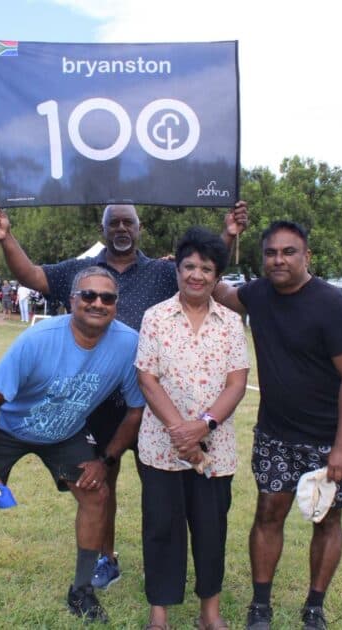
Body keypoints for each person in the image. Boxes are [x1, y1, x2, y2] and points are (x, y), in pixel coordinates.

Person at [0, 201, 247, 591]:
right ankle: (106, 559)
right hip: (96, 402)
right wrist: (6, 237)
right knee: (101, 480)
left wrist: (228, 232)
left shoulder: (161, 270)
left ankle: (162, 567)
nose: (122, 228)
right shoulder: (82, 271)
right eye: (115, 223)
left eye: (129, 222)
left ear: (139, 228)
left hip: (153, 406)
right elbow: (32, 276)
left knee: (159, 487)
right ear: (103, 227)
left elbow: (202, 268)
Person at [0, 267, 146, 623]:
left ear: (116, 305)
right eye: (88, 295)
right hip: (7, 429)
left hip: (65, 431)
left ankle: (81, 590)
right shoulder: (38, 338)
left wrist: (104, 460)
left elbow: (136, 409)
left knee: (96, 494)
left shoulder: (128, 342)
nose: (98, 303)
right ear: (72, 301)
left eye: (107, 297)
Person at [213, 221, 342, 630]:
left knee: (327, 518)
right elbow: (218, 290)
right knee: (268, 512)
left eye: (288, 252)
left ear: (306, 256)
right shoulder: (258, 294)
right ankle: (260, 606)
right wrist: (223, 239)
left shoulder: (333, 305)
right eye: (271, 253)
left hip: (328, 437)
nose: (278, 259)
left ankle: (314, 605)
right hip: (276, 434)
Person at [135, 227, 249, 630]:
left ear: (217, 277)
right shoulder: (156, 317)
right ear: (178, 270)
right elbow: (147, 378)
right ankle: (159, 614)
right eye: (189, 266)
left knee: (210, 531)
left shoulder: (231, 323)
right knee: (161, 530)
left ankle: (209, 614)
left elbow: (237, 382)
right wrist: (180, 432)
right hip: (160, 448)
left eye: (206, 268)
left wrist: (202, 426)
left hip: (214, 452)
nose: (196, 274)